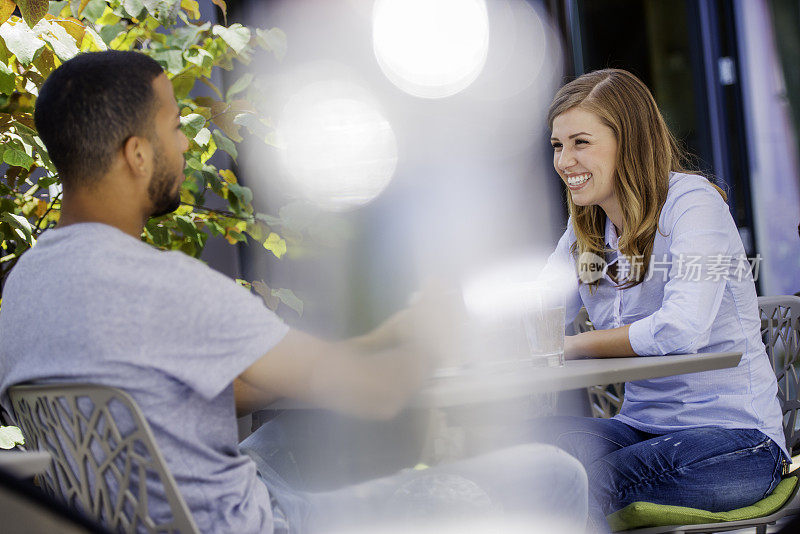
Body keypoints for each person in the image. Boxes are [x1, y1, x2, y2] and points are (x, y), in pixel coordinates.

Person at [0, 51, 588, 533]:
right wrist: (437, 333)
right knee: (555, 473)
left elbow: (184, 390)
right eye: (175, 127)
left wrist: (385, 335)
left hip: (143, 515)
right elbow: (380, 394)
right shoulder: (166, 285)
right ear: (136, 153)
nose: (183, 145)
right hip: (251, 524)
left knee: (289, 433)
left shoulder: (25, 286)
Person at [541, 68, 788, 529]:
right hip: (640, 429)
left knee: (585, 482)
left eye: (581, 142)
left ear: (628, 141)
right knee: (526, 451)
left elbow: (681, 327)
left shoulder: (692, 204)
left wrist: (574, 346)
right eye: (558, 145)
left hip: (738, 442)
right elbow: (539, 313)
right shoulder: (587, 227)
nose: (564, 161)